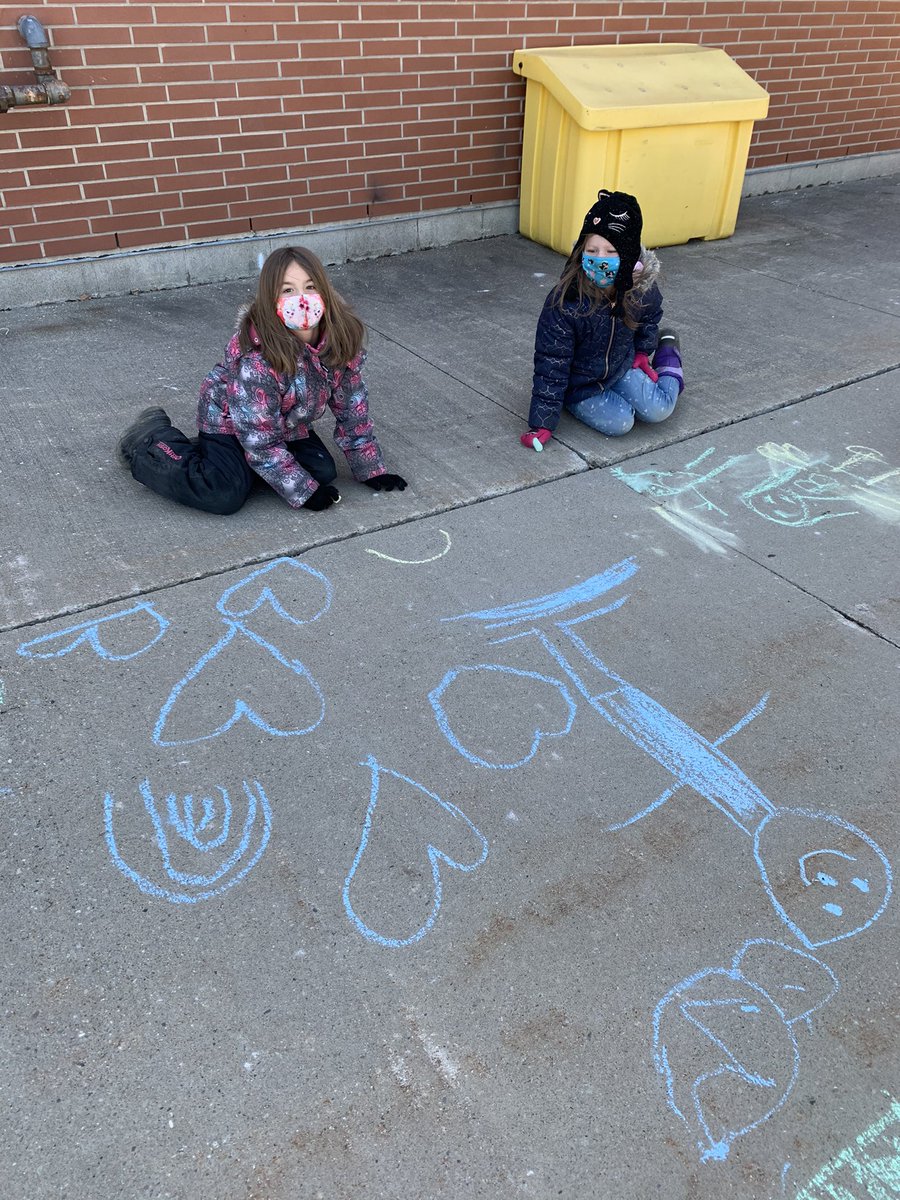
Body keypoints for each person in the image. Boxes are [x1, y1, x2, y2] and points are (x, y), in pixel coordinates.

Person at [118, 246, 407, 515]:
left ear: (325, 292)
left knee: (321, 471)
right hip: (229, 422)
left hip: (282, 426)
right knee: (223, 493)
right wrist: (301, 492)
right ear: (272, 301)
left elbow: (352, 411)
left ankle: (230, 461)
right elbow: (259, 439)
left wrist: (372, 469)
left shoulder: (337, 343)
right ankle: (151, 441)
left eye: (310, 287)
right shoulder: (258, 360)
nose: (301, 299)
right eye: (288, 290)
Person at [520, 189, 684, 451]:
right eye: (592, 250)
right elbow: (552, 362)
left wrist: (643, 351)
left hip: (620, 366)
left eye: (611, 251)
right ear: (580, 251)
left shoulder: (638, 288)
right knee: (621, 423)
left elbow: (650, 315)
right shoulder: (566, 301)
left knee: (659, 410)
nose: (600, 259)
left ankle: (669, 355)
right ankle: (580, 402)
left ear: (629, 256)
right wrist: (542, 423)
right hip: (581, 385)